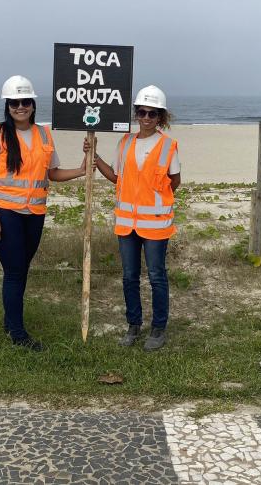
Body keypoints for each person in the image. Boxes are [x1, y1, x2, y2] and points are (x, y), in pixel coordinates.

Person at [0, 75, 86, 351]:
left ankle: (9, 320)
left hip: (34, 214)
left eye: (25, 101)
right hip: (6, 213)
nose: (20, 107)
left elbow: (53, 173)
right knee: (15, 271)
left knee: (20, 270)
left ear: (32, 104)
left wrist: (82, 169)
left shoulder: (43, 133)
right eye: (14, 102)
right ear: (7, 105)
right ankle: (17, 333)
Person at [86, 85, 181, 351]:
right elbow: (117, 177)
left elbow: (175, 181)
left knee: (156, 276)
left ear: (161, 117)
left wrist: (154, 201)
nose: (147, 117)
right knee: (129, 276)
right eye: (142, 112)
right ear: (136, 114)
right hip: (127, 224)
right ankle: (133, 325)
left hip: (155, 225)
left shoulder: (167, 145)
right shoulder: (125, 142)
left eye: (153, 113)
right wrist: (95, 155)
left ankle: (158, 329)